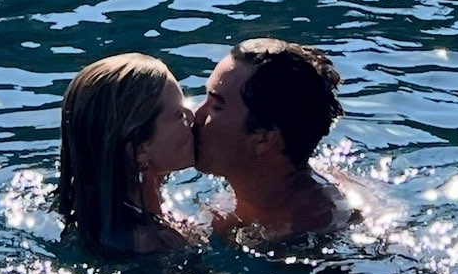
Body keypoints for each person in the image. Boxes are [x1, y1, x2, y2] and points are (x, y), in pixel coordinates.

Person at [193, 36, 351, 239]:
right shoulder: (245, 196)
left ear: (263, 139)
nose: (195, 115)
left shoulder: (304, 232)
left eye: (216, 106)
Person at [58, 53, 196, 255]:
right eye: (179, 115)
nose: (193, 116)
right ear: (139, 150)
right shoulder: (155, 243)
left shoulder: (84, 211)